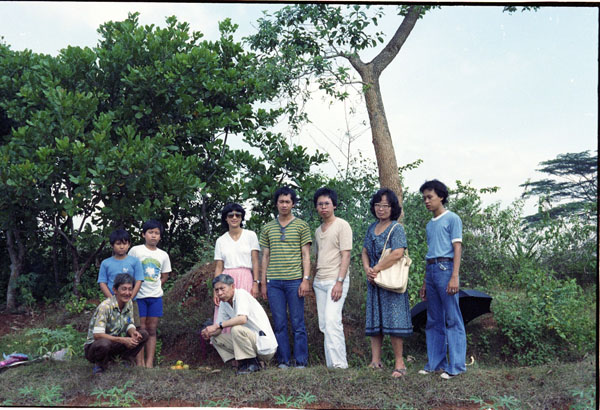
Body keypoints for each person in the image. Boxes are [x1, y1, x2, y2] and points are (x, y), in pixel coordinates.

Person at [361, 188, 412, 378]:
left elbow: (398, 253)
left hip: (391, 282)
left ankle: (400, 363)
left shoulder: (396, 228)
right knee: (376, 320)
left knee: (394, 321)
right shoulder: (371, 228)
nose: (380, 209)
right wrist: (367, 269)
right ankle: (375, 361)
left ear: (392, 208)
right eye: (377, 205)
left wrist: (376, 268)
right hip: (374, 281)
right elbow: (364, 251)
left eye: (385, 205)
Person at [418, 179, 466, 380]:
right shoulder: (430, 225)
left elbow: (457, 248)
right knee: (433, 319)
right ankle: (436, 364)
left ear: (441, 197)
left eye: (430, 197)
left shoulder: (452, 218)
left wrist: (454, 276)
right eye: (424, 198)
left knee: (452, 318)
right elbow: (431, 252)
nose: (427, 201)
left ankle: (456, 366)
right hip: (431, 270)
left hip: (446, 269)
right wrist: (424, 282)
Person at [259, 186, 312, 369]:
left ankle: (301, 361)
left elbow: (306, 255)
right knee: (279, 323)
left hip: (295, 281)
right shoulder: (268, 228)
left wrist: (305, 279)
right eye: (281, 201)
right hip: (274, 283)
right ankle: (283, 360)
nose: (284, 205)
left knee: (298, 323)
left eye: (287, 201)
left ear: (293, 204)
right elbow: (265, 256)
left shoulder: (301, 226)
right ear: (276, 204)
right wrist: (263, 283)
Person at [201, 274, 277, 374]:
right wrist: (209, 332)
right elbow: (219, 328)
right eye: (216, 290)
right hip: (250, 343)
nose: (219, 293)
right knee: (215, 338)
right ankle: (244, 363)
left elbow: (242, 319)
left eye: (222, 289)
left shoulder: (241, 294)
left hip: (264, 347)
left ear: (232, 286)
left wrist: (217, 325)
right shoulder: (224, 303)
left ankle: (253, 364)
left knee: (236, 329)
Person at [312, 187, 352, 369]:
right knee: (324, 324)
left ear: (334, 205)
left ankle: (340, 365)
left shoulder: (342, 225)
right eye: (320, 204)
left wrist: (339, 282)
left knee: (332, 321)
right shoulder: (317, 231)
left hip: (336, 281)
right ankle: (331, 365)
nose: (323, 207)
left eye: (327, 203)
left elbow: (346, 255)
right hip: (319, 281)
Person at [84, 273, 149, 375]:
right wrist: (123, 340)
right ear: (115, 290)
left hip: (114, 342)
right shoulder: (105, 307)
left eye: (130, 289)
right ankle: (99, 365)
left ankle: (123, 360)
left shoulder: (129, 303)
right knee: (104, 343)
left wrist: (133, 332)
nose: (127, 293)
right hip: (95, 346)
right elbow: (97, 335)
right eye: (124, 289)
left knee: (143, 334)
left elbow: (129, 323)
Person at [128, 219, 172, 368]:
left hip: (155, 297)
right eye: (150, 232)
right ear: (143, 234)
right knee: (140, 329)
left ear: (160, 236)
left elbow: (164, 276)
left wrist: (155, 287)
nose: (153, 235)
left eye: (156, 233)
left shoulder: (163, 255)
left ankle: (149, 363)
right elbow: (129, 271)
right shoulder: (136, 251)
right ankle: (139, 362)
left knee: (152, 329)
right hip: (138, 297)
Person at [212, 203, 261, 336]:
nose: (234, 218)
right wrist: (215, 290)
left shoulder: (250, 235)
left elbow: (255, 261)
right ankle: (227, 344)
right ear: (226, 218)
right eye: (230, 215)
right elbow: (219, 266)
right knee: (226, 311)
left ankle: (248, 344)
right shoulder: (221, 240)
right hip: (226, 279)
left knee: (244, 312)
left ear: (241, 217)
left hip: (245, 277)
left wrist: (255, 282)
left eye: (237, 215)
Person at [97, 229, 144, 330]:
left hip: (131, 302)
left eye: (124, 243)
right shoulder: (106, 263)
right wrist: (112, 300)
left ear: (129, 244)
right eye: (118, 244)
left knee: (134, 328)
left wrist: (130, 298)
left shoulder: (135, 262)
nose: (122, 247)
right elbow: (102, 282)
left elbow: (139, 281)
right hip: (111, 302)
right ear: (112, 245)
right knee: (112, 328)